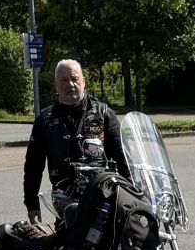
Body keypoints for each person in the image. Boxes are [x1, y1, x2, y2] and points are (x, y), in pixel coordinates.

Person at [23, 59, 129, 227]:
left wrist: (132, 195)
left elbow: (123, 158)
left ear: (83, 81)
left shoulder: (104, 114)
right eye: (64, 80)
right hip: (64, 202)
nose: (70, 84)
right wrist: (32, 203)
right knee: (66, 241)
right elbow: (33, 166)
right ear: (56, 86)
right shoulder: (45, 120)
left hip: (102, 199)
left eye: (75, 79)